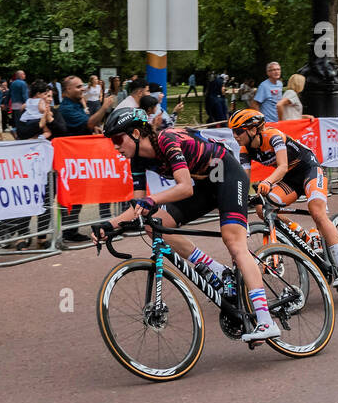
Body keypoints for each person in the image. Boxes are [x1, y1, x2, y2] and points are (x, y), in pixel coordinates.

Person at [94, 107, 282, 342]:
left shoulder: (166, 140)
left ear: (134, 133)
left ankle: (266, 320)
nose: (115, 146)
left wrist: (153, 200)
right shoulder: (137, 160)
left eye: (117, 139)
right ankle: (217, 271)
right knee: (155, 225)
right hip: (205, 184)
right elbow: (137, 205)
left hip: (227, 175)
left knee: (234, 242)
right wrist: (109, 225)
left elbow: (184, 187)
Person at [229, 109, 338, 287]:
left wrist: (267, 182)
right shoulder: (244, 150)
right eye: (232, 131)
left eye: (238, 131)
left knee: (316, 211)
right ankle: (303, 235)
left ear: (252, 129)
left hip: (309, 169)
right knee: (263, 209)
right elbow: (244, 178)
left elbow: (282, 166)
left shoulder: (273, 136)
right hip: (291, 180)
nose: (234, 135)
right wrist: (235, 197)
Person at [51, 75, 118, 241]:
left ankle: (71, 230)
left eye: (82, 86)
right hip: (70, 159)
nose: (82, 89)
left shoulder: (76, 105)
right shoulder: (67, 108)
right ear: (67, 90)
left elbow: (86, 125)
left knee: (77, 196)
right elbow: (86, 123)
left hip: (80, 157)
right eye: (78, 87)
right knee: (72, 196)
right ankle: (68, 232)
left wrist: (93, 129)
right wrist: (103, 108)